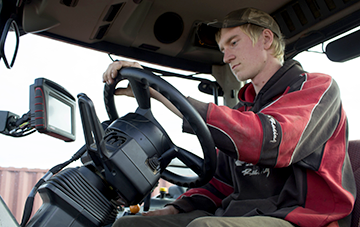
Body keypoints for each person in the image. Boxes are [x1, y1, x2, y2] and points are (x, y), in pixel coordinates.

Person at [102, 7, 356, 227]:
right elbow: (222, 181)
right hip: (244, 213)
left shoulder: (316, 88)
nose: (226, 56)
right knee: (130, 223)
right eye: (223, 49)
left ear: (266, 39)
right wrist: (177, 207)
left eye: (234, 42)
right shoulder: (243, 110)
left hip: (302, 218)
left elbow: (270, 141)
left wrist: (164, 95)